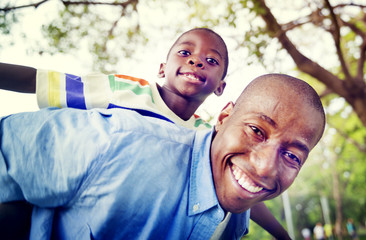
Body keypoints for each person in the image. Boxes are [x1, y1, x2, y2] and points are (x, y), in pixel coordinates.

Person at [0, 28, 291, 238]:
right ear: (163, 68)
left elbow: (244, 188)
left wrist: (282, 234)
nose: (197, 60)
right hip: (56, 190)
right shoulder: (126, 91)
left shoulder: (206, 135)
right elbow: (41, 81)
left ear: (220, 87)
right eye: (185, 52)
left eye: (212, 61)